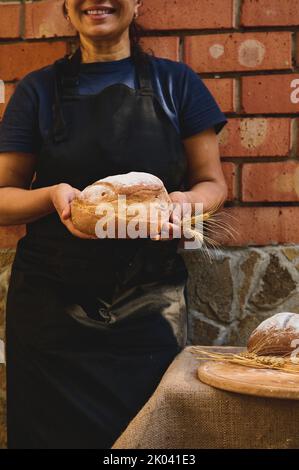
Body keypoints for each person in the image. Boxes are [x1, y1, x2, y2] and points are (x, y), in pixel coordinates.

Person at [0, 0, 228, 449]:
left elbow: (211, 183)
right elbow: (2, 196)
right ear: (67, 6)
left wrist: (185, 204)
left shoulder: (177, 84)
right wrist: (51, 196)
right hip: (50, 313)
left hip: (149, 309)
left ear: (138, 3)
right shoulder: (37, 90)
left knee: (146, 441)